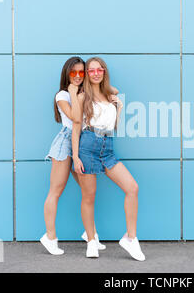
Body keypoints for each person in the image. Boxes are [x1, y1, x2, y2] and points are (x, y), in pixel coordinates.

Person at [72, 57, 145, 261]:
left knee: (132, 188)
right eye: (91, 70)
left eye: (99, 70)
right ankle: (91, 241)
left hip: (107, 146)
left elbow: (114, 126)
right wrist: (76, 156)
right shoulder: (82, 97)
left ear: (104, 71)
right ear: (86, 74)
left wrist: (119, 106)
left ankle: (131, 239)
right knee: (89, 196)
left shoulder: (110, 94)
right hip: (87, 145)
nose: (95, 73)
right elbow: (76, 128)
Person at [40, 56, 108, 255]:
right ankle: (50, 237)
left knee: (88, 192)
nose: (78, 76)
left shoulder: (83, 93)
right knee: (56, 190)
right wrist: (71, 91)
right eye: (74, 73)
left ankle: (91, 234)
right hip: (65, 144)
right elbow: (75, 118)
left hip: (82, 142)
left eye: (81, 72)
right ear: (67, 74)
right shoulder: (62, 94)